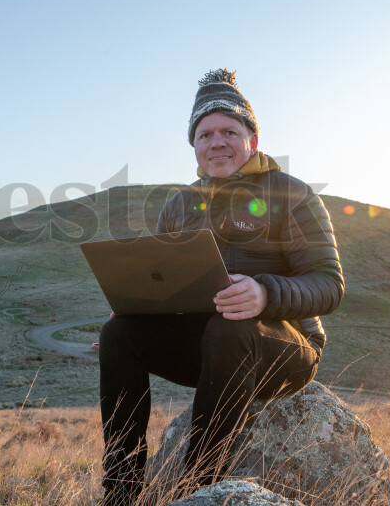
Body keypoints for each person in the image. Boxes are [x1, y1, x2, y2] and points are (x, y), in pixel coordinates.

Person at [98, 69, 344, 505]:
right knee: (118, 334)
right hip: (209, 351)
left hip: (285, 348)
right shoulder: (180, 205)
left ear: (252, 139)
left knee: (231, 324)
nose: (217, 143)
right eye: (205, 134)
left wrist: (265, 293)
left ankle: (197, 488)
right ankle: (121, 492)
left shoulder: (292, 194)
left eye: (230, 131)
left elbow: (328, 283)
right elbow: (166, 281)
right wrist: (139, 305)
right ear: (194, 145)